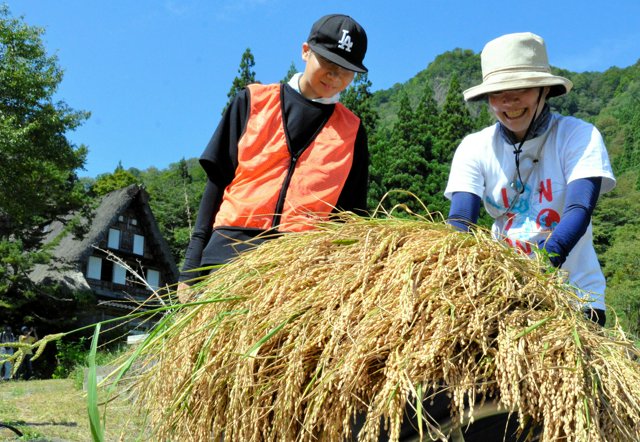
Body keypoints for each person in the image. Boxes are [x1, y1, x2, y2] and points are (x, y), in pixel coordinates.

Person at [178, 14, 370, 301]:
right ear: (306, 51)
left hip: (301, 271)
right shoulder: (252, 101)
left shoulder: (352, 131)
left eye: (346, 70)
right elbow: (216, 183)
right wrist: (191, 268)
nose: (335, 76)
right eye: (328, 63)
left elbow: (351, 217)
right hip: (227, 258)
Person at [445, 32, 616, 326]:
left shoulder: (578, 135)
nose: (509, 102)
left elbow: (578, 210)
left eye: (521, 89)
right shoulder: (474, 147)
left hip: (575, 297)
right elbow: (461, 219)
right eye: (498, 93)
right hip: (505, 298)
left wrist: (539, 268)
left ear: (543, 91)